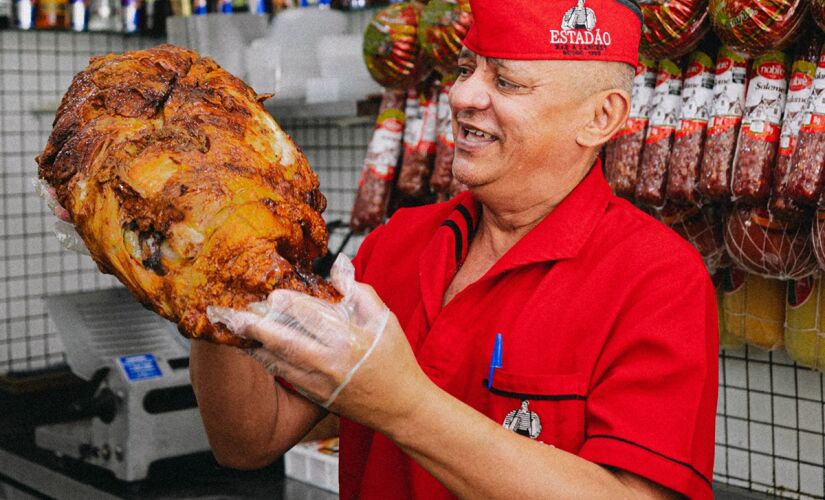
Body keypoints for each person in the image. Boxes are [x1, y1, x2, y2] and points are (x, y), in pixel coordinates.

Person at [192, 0, 719, 498]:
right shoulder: (396, 244)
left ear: (601, 117)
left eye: (506, 81)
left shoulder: (658, 279)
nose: (462, 96)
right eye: (467, 68)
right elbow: (248, 440)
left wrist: (401, 403)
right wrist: (208, 265)